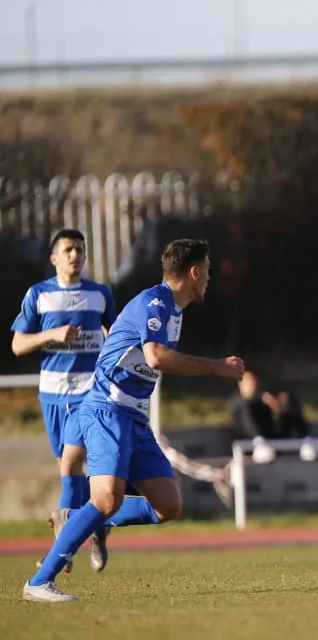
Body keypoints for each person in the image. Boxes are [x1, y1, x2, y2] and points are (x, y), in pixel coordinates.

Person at [23, 239, 245, 603]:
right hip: (107, 410)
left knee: (167, 505)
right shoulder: (155, 302)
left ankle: (78, 517)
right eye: (206, 270)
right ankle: (39, 581)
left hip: (133, 417)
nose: (209, 277)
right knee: (107, 499)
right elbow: (156, 357)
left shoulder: (174, 310)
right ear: (193, 272)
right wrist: (216, 367)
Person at [10, 229, 117, 574]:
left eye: (80, 250)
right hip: (54, 394)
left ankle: (64, 547)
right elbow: (17, 345)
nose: (75, 255)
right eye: (68, 249)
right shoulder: (38, 295)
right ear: (54, 258)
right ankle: (96, 528)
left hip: (91, 393)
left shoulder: (100, 294)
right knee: (68, 470)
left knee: (74, 465)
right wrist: (51, 335)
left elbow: (115, 337)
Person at [227, 370, 315, 463]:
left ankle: (306, 441)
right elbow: (242, 409)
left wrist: (277, 405)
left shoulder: (263, 401)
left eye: (255, 383)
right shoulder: (237, 403)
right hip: (249, 443)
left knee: (289, 402)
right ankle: (259, 442)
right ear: (241, 385)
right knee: (246, 408)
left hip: (271, 440)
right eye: (250, 383)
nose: (253, 386)